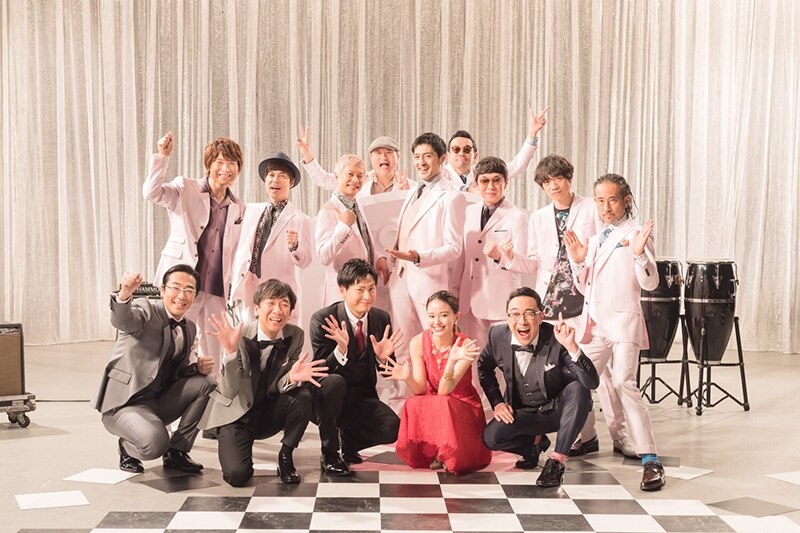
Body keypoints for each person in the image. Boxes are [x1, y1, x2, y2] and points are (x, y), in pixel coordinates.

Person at [499, 155, 631, 458]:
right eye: (547, 182)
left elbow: (603, 247)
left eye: (558, 178)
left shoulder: (591, 208)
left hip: (586, 302)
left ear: (569, 178)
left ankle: (621, 435)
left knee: (600, 375)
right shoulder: (538, 217)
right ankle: (586, 436)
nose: (553, 185)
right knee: (566, 375)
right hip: (552, 305)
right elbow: (534, 262)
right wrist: (509, 257)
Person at [564, 173, 665, 491]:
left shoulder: (635, 234)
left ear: (626, 201)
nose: (605, 207)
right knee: (576, 379)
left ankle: (651, 460)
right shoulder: (595, 240)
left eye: (612, 200)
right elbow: (586, 288)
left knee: (623, 382)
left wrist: (638, 253)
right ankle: (576, 443)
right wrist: (578, 263)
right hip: (595, 326)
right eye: (600, 200)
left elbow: (650, 282)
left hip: (623, 324)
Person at [200, 279, 327, 486]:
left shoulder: (295, 335)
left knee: (302, 396)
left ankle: (285, 457)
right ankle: (238, 448)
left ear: (290, 312)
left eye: (284, 304)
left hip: (268, 408)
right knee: (237, 476)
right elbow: (229, 391)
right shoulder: (238, 336)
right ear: (257, 309)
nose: (278, 310)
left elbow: (279, 384)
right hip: (237, 413)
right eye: (271, 303)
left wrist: (291, 378)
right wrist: (230, 352)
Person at [143, 132, 246, 378]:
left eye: (232, 163)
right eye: (220, 162)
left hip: (216, 287)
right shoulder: (185, 188)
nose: (226, 169)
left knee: (215, 347)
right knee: (176, 340)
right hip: (184, 282)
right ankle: (169, 386)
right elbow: (152, 193)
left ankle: (211, 392)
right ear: (209, 165)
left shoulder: (238, 206)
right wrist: (162, 156)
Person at [95, 265, 215, 474]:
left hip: (157, 400)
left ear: (195, 296)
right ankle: (127, 447)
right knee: (155, 445)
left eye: (188, 290)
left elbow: (176, 372)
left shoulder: (189, 327)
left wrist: (196, 368)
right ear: (162, 290)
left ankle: (177, 452)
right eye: (175, 288)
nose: (181, 296)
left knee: (207, 383)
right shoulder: (146, 310)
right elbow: (123, 320)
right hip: (125, 403)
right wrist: (124, 293)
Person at [478, 287, 598, 487]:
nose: (522, 321)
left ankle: (557, 460)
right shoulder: (497, 336)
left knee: (579, 387)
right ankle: (533, 445)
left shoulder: (556, 338)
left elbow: (591, 382)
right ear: (507, 317)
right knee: (490, 438)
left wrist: (572, 347)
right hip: (523, 412)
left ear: (541, 316)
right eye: (515, 314)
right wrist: (497, 402)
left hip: (556, 411)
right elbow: (483, 367)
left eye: (529, 314)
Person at [309, 259, 402, 475]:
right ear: (343, 290)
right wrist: (340, 351)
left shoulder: (381, 318)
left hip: (360, 397)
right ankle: (329, 453)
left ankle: (349, 442)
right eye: (360, 290)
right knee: (335, 382)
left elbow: (387, 371)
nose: (367, 296)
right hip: (326, 399)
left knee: (393, 427)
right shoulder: (323, 319)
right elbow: (320, 372)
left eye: (371, 289)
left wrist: (383, 359)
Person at [379, 133, 466, 361]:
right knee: (402, 346)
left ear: (442, 159)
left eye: (427, 156)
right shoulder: (412, 191)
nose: (421, 162)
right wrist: (392, 261)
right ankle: (402, 387)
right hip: (400, 278)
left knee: (436, 345)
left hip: (429, 280)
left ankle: (438, 386)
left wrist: (419, 257)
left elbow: (454, 248)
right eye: (417, 157)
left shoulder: (452, 197)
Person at [382, 291, 489, 474]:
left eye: (443, 315)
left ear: (456, 317)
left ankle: (448, 453)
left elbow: (445, 390)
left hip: (462, 404)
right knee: (412, 402)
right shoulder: (418, 342)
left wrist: (452, 360)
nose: (437, 322)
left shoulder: (465, 345)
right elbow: (420, 389)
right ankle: (431, 451)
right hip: (436, 400)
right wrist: (407, 377)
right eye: (432, 316)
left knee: (443, 402)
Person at [452, 156, 528, 349]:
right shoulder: (469, 212)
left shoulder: (518, 217)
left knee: (505, 360)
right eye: (485, 181)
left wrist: (500, 257)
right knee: (474, 359)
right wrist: (455, 295)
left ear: (506, 182)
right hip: (470, 303)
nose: (491, 186)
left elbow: (525, 264)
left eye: (496, 180)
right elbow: (462, 259)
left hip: (501, 304)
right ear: (476, 184)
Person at [229, 153, 312, 321]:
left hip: (278, 292)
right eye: (271, 175)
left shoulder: (300, 219)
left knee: (279, 335)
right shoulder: (249, 210)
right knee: (247, 334)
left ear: (291, 183)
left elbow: (305, 261)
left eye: (282, 176)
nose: (276, 180)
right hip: (247, 288)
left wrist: (295, 246)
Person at [315, 154, 389, 306]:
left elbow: (363, 240)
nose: (355, 180)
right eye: (350, 174)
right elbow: (324, 256)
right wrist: (344, 227)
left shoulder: (358, 205)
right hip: (342, 293)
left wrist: (378, 258)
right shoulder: (327, 211)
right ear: (337, 177)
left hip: (363, 290)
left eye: (360, 176)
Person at [443, 106, 548, 189]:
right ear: (448, 155)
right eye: (456, 149)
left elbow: (518, 165)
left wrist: (532, 133)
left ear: (475, 155)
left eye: (467, 150)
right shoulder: (439, 175)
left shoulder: (483, 172)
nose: (461, 153)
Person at [296, 128, 414, 196]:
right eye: (378, 153)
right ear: (371, 157)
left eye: (388, 152)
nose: (383, 157)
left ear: (398, 156)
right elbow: (323, 179)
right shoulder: (358, 180)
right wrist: (307, 153)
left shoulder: (411, 187)